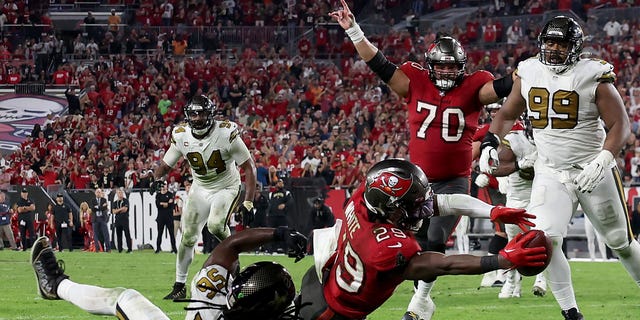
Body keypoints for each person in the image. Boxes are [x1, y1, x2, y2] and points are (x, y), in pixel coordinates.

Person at [329, 2, 517, 319]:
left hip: (455, 178)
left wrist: (530, 70)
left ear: (462, 66)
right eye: (440, 67)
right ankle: (421, 297)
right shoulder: (416, 79)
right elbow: (381, 64)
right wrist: (353, 29)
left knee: (434, 238)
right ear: (430, 66)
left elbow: (501, 87)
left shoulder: (474, 85)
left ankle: (420, 302)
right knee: (413, 243)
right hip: (416, 181)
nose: (445, 72)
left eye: (451, 66)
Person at [478, 16, 640, 319]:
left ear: (574, 47)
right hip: (551, 171)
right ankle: (571, 312)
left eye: (561, 43)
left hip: (592, 168)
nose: (554, 48)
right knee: (544, 240)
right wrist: (489, 141)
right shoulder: (528, 71)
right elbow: (506, 113)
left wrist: (604, 158)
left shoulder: (592, 74)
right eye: (550, 42)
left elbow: (621, 124)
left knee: (620, 242)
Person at [298, 158, 547, 320]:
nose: (423, 209)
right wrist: (500, 261)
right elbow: (441, 264)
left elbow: (443, 202)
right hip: (333, 314)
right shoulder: (382, 245)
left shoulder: (366, 199)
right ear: (391, 210)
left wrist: (491, 210)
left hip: (323, 281)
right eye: (413, 206)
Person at [30, 226, 308, 320]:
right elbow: (230, 246)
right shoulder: (213, 296)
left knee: (125, 299)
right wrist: (279, 233)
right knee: (125, 298)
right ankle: (55, 285)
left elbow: (229, 248)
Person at [150, 95, 257, 300]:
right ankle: (179, 285)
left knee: (216, 225)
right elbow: (165, 165)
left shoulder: (226, 132)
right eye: (194, 114)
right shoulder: (181, 134)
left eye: (201, 113)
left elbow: (248, 166)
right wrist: (156, 177)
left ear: (211, 114)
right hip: (200, 188)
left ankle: (232, 252)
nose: (197, 118)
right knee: (187, 237)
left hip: (226, 186)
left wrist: (248, 202)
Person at [268, 179, 293, 253]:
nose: (280, 184)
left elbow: (291, 201)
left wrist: (285, 205)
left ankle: (285, 249)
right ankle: (271, 249)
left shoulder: (286, 193)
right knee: (272, 233)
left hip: (282, 216)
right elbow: (270, 204)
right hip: (273, 216)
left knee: (284, 232)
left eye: (281, 183)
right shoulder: (271, 194)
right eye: (278, 183)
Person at [155, 182, 177, 253]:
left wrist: (163, 204)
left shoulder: (170, 194)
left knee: (171, 234)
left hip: (169, 217)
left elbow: (171, 205)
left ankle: (174, 249)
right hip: (160, 217)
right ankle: (158, 248)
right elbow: (158, 205)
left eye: (165, 185)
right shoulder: (158, 195)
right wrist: (166, 203)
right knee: (159, 233)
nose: (164, 187)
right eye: (162, 185)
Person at [111, 188, 132, 253]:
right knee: (119, 235)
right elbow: (113, 211)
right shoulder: (115, 202)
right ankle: (120, 249)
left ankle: (129, 249)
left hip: (125, 219)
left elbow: (125, 209)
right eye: (119, 193)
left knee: (127, 234)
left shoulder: (126, 201)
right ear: (117, 194)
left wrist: (118, 210)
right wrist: (120, 209)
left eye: (121, 193)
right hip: (117, 220)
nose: (120, 194)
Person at [15, 187, 36, 251]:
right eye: (23, 193)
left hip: (29, 219)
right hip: (22, 219)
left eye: (25, 193)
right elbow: (19, 210)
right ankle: (24, 248)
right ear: (21, 193)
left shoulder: (30, 200)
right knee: (23, 234)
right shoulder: (19, 201)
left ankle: (33, 248)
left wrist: (24, 208)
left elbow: (33, 208)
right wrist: (28, 207)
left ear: (27, 193)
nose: (24, 194)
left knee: (32, 234)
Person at [90, 188, 110, 252]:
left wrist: (98, 207)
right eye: (97, 192)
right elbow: (93, 209)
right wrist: (100, 207)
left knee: (106, 234)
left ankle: (108, 249)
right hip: (95, 219)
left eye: (99, 192)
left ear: (101, 193)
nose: (98, 193)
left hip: (102, 218)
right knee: (95, 235)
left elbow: (104, 208)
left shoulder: (104, 200)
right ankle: (97, 249)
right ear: (95, 193)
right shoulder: (92, 200)